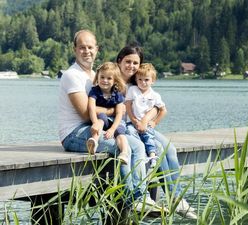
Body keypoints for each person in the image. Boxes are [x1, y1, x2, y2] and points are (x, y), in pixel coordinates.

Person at [58, 30, 161, 213]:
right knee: (129, 147)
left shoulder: (96, 75)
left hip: (96, 127)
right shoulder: (72, 75)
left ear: (97, 49)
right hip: (74, 132)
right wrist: (115, 110)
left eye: (90, 47)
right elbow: (84, 113)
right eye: (82, 47)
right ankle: (134, 199)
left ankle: (141, 198)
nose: (86, 51)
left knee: (137, 145)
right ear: (75, 49)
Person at [116, 44, 197, 219]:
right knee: (158, 149)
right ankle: (169, 196)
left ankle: (176, 197)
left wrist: (148, 119)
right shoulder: (112, 79)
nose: (132, 66)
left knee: (170, 148)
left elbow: (155, 106)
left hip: (142, 125)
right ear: (119, 61)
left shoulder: (138, 82)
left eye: (136, 63)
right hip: (124, 127)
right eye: (128, 61)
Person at [86, 62, 129, 165]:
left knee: (120, 132)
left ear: (115, 80)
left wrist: (112, 129)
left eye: (109, 78)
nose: (105, 80)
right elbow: (91, 108)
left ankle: (124, 153)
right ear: (97, 77)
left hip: (115, 121)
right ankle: (94, 141)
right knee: (101, 117)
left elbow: (119, 114)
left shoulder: (117, 94)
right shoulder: (95, 91)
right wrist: (95, 122)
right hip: (103, 120)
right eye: (102, 77)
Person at [125, 63, 167, 168]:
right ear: (136, 80)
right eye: (140, 79)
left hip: (147, 124)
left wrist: (154, 122)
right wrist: (134, 121)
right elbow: (128, 106)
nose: (143, 82)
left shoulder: (155, 95)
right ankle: (142, 154)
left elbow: (163, 110)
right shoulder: (132, 90)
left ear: (153, 81)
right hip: (133, 122)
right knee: (130, 132)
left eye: (146, 80)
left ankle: (152, 157)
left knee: (149, 138)